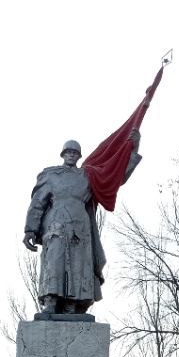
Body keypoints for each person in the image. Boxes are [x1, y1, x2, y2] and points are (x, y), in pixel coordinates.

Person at [23, 130, 140, 315]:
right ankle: (51, 302)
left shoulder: (88, 176)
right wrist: (30, 229)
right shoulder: (50, 174)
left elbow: (115, 177)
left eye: (75, 153)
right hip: (56, 223)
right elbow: (38, 202)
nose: (71, 155)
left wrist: (133, 150)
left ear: (79, 156)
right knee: (55, 261)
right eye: (68, 152)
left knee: (78, 264)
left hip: (80, 226)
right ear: (63, 154)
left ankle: (72, 305)